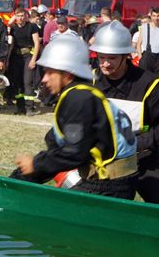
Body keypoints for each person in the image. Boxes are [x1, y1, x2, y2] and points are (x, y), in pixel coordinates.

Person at [12, 35, 138, 199]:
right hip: (109, 180)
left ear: (68, 74)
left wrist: (35, 164)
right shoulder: (80, 94)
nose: (44, 79)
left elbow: (74, 153)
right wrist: (19, 178)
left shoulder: (78, 98)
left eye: (50, 72)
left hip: (108, 184)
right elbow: (58, 148)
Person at [91, 21, 159, 206]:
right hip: (103, 161)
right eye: (101, 57)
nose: (105, 64)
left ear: (126, 55)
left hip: (143, 159)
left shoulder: (150, 84)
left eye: (112, 58)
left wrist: (138, 143)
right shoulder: (90, 81)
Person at [6, 8, 42, 116]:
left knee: (27, 82)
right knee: (17, 82)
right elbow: (12, 44)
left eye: (22, 15)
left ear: (26, 16)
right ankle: (20, 107)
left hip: (28, 56)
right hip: (16, 57)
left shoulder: (32, 26)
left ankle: (29, 107)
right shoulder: (14, 28)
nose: (20, 18)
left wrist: (33, 59)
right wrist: (8, 59)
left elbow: (36, 43)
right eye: (18, 16)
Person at [132, 8, 159, 79]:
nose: (156, 18)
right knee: (145, 78)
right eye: (154, 16)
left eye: (158, 16)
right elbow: (139, 44)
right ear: (151, 16)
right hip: (147, 56)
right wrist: (140, 58)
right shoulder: (145, 27)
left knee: (157, 79)